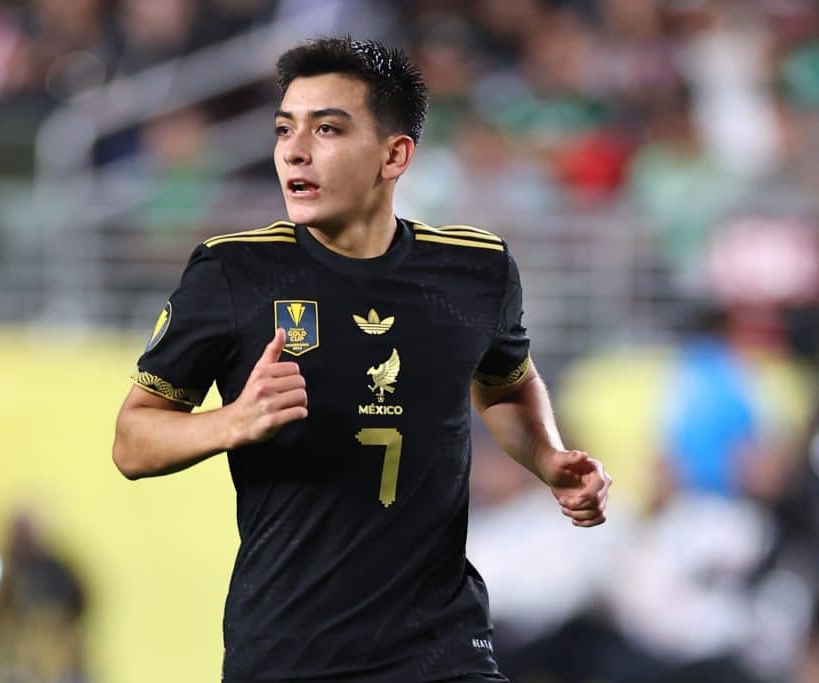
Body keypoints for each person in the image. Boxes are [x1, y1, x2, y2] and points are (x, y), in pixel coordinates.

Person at [112, 36, 611, 682]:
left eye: (327, 129)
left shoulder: (475, 271)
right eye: (284, 129)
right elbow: (132, 440)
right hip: (291, 653)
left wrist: (548, 456)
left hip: (443, 649)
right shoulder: (234, 273)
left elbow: (507, 384)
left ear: (394, 155)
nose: (294, 150)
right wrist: (231, 421)